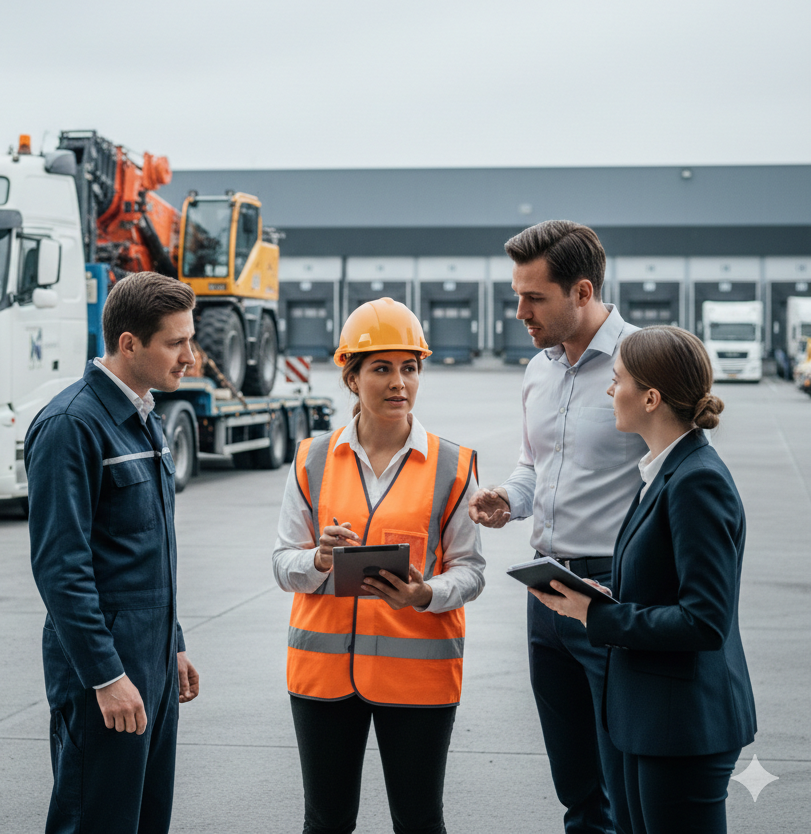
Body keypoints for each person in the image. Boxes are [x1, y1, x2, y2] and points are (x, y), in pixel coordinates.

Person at [530, 325, 757, 834]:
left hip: (683, 727)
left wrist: (597, 614)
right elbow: (665, 587)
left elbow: (704, 621)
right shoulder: (662, 470)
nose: (610, 390)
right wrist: (610, 596)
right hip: (649, 719)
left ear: (651, 398)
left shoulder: (697, 480)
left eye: (618, 380)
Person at [272, 297, 486, 834]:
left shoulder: (453, 465)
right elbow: (282, 563)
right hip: (322, 677)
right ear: (352, 377)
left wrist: (426, 594)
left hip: (418, 678)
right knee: (325, 822)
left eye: (409, 368)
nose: (399, 383)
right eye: (381, 369)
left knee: (419, 822)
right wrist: (318, 559)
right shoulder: (312, 459)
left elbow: (471, 569)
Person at [468, 220, 646, 834]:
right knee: (574, 778)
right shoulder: (538, 371)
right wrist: (508, 498)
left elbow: (675, 474)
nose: (520, 312)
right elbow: (534, 464)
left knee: (626, 773)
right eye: (517, 296)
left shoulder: (642, 363)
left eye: (534, 298)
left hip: (613, 590)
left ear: (582, 291)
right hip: (545, 588)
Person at [26, 272, 201, 834]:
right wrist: (105, 676)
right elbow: (61, 568)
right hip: (104, 669)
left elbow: (149, 551)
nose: (190, 357)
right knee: (95, 820)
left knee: (146, 820)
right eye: (176, 343)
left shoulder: (145, 418)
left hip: (153, 662)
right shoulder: (72, 426)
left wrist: (172, 645)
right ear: (129, 343)